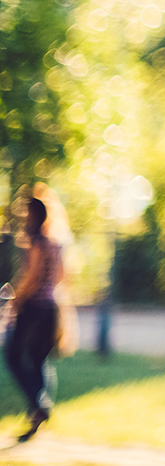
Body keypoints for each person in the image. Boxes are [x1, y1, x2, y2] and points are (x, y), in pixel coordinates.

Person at [5, 187, 69, 443]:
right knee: (40, 360)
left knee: (12, 357)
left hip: (32, 307)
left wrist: (16, 298)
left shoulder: (34, 241)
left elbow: (30, 275)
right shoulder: (55, 242)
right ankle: (37, 412)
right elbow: (62, 276)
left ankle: (39, 404)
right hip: (51, 307)